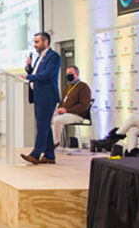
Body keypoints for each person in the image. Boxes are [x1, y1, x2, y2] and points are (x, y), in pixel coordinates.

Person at [20, 32, 61, 166]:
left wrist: (29, 77)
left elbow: (47, 74)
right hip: (38, 95)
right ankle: (49, 155)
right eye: (34, 42)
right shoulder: (39, 57)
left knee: (42, 126)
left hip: (47, 95)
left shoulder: (53, 57)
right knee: (44, 125)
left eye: (37, 42)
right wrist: (29, 69)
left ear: (46, 42)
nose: (35, 45)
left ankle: (35, 154)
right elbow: (36, 73)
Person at [51, 66, 92, 149]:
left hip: (77, 115)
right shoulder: (67, 88)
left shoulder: (83, 87)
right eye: (67, 74)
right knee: (50, 118)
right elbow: (62, 102)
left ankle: (55, 143)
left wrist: (67, 110)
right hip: (66, 114)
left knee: (57, 120)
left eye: (70, 74)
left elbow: (84, 105)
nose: (68, 76)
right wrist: (58, 109)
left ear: (76, 74)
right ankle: (50, 142)